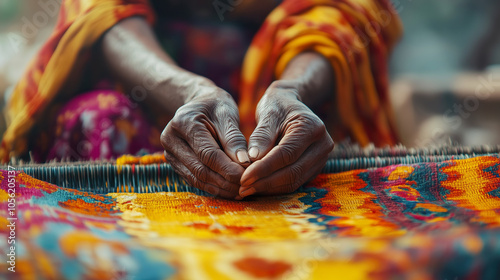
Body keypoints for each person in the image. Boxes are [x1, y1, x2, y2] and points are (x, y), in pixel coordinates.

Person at [0, 0, 402, 199]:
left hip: (285, 98)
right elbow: (103, 11)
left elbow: (348, 10)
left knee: (324, 157)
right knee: (98, 119)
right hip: (149, 92)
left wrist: (294, 90)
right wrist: (190, 92)